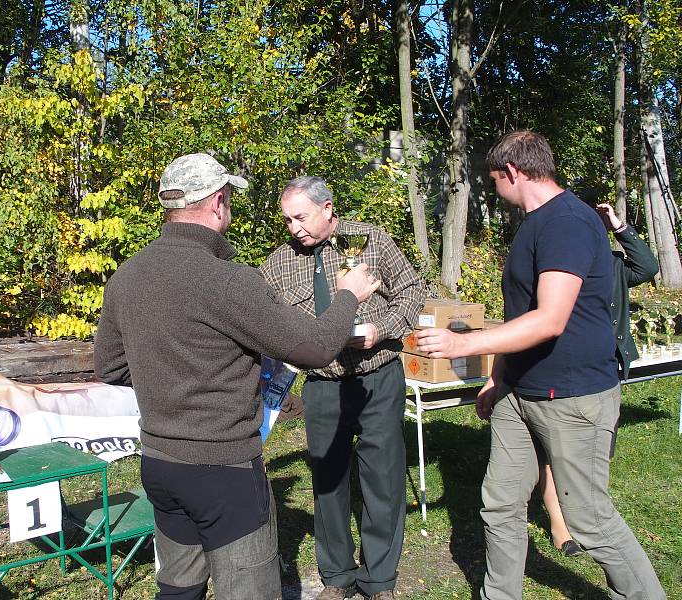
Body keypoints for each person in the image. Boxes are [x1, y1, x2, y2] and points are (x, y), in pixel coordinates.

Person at [94, 154, 380, 600]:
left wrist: (174, 378)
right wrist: (347, 296)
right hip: (222, 468)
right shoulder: (227, 280)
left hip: (159, 462)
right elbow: (316, 348)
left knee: (177, 588)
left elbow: (111, 367)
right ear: (218, 202)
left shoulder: (127, 277)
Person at [415, 131, 666, 600]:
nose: (494, 190)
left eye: (494, 180)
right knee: (500, 503)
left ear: (512, 172)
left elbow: (550, 320)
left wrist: (462, 344)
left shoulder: (567, 222)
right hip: (519, 393)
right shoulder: (535, 222)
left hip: (572, 398)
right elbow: (522, 314)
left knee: (588, 519)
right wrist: (498, 377)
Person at [259, 176, 426, 600]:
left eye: (301, 217)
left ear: (328, 208)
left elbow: (412, 292)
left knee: (384, 478)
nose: (294, 227)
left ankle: (379, 579)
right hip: (323, 385)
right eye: (287, 220)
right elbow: (262, 321)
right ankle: (336, 578)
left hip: (378, 377)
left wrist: (381, 328)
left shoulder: (372, 240)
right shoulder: (277, 264)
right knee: (329, 482)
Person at [539, 201, 659, 556]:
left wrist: (618, 226)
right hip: (563, 372)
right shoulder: (556, 260)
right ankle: (560, 526)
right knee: (554, 452)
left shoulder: (614, 264)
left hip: (605, 373)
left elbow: (648, 266)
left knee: (596, 451)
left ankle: (589, 514)